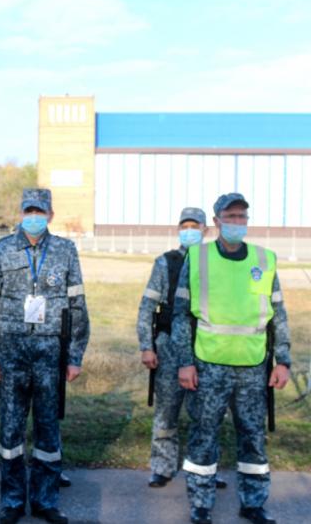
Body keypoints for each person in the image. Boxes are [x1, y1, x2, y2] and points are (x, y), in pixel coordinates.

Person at [174, 193, 291, 524]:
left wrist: (282, 361)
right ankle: (200, 504)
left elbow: (278, 315)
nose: (237, 221)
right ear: (217, 221)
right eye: (231, 216)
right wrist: (185, 361)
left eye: (242, 216)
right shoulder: (197, 258)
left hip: (254, 368)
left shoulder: (265, 259)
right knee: (203, 436)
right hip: (208, 366)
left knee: (253, 437)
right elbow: (181, 315)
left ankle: (253, 503)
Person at [0, 188, 90, 524]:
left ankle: (45, 500)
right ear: (21, 212)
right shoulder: (2, 249)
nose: (34, 217)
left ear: (50, 215)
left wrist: (74, 356)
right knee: (11, 432)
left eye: (40, 212)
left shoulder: (66, 250)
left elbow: (78, 307)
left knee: (47, 431)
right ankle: (12, 500)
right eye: (29, 211)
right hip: (10, 353)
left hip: (50, 354)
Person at [137, 207, 227, 490]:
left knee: (208, 413)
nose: (189, 230)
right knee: (167, 411)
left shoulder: (216, 261)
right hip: (169, 346)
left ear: (206, 229)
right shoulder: (165, 262)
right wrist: (146, 346)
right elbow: (147, 307)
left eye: (195, 225)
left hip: (208, 346)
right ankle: (162, 468)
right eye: (184, 225)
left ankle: (207, 468)